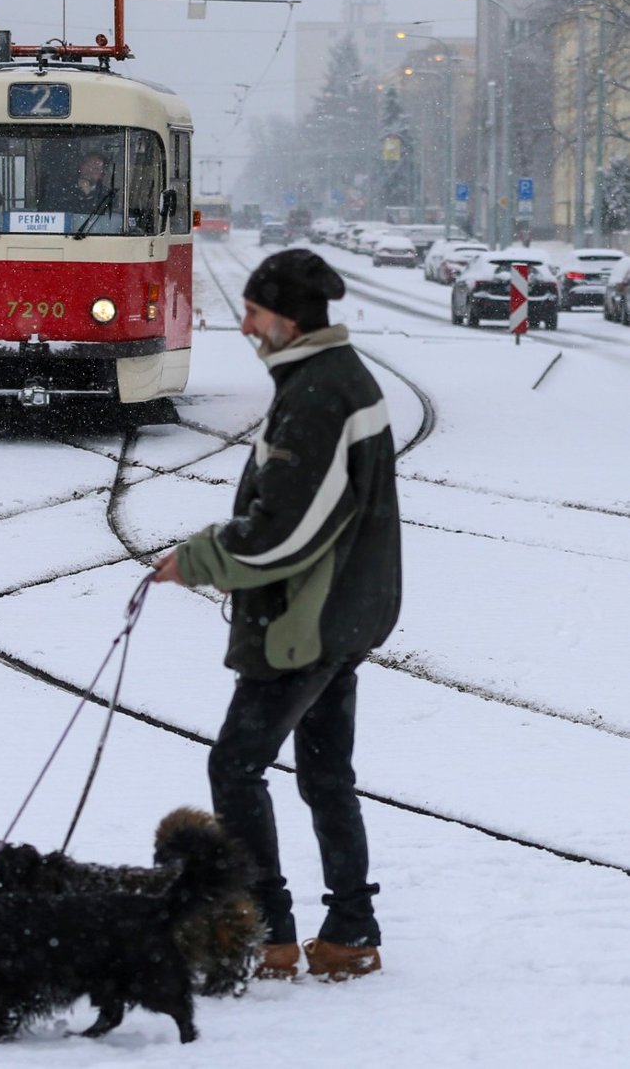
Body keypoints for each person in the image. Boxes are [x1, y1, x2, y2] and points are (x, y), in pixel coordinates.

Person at [151, 248, 401, 982]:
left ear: (288, 319)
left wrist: (198, 560)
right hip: (345, 612)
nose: (245, 325)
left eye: (255, 313)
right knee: (325, 776)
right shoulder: (332, 379)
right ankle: (350, 930)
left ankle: (269, 932)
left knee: (235, 766)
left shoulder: (322, 393)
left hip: (305, 622)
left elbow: (288, 530)